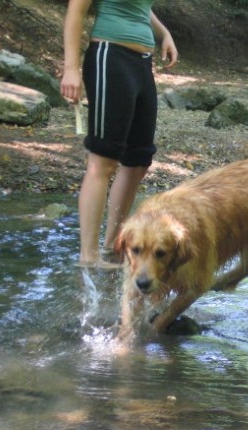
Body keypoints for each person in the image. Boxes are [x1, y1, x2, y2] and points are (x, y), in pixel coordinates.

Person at [60, 0, 178, 267]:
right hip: (110, 57)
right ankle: (88, 255)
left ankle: (113, 246)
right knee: (104, 159)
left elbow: (140, 7)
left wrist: (164, 33)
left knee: (138, 162)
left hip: (142, 64)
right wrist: (70, 69)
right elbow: (76, 11)